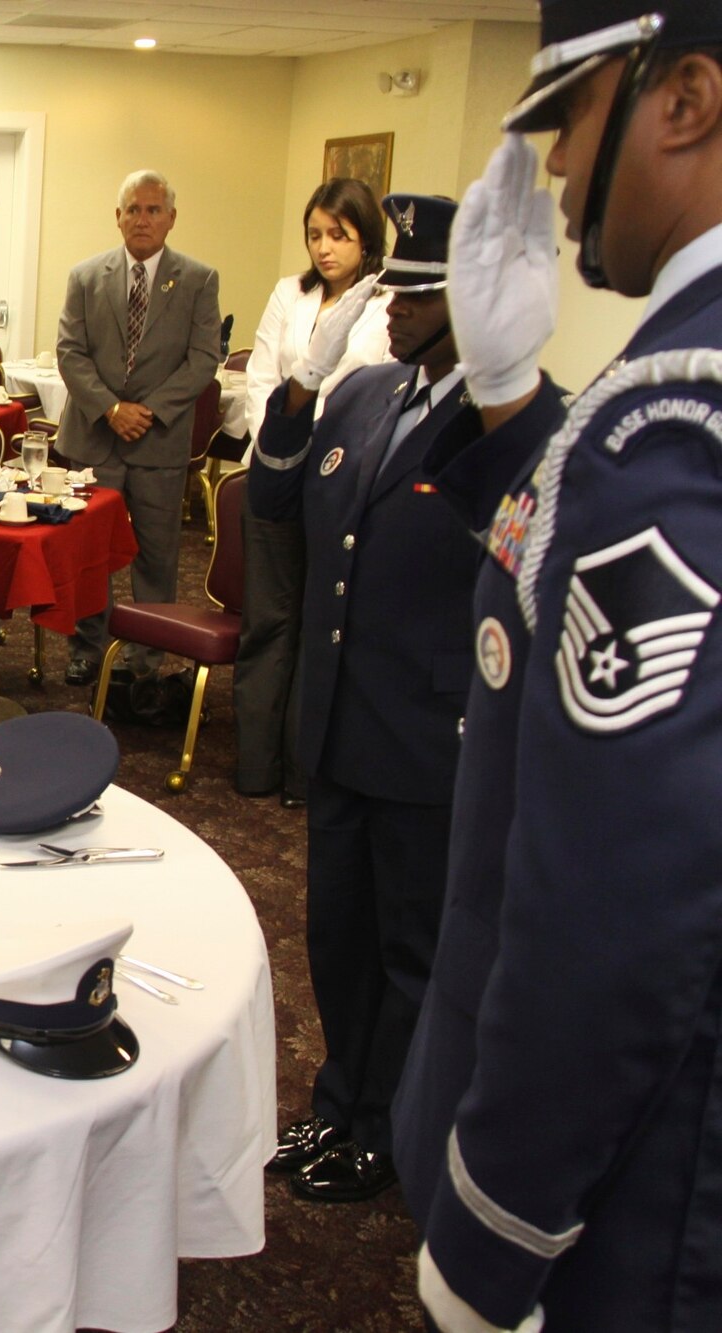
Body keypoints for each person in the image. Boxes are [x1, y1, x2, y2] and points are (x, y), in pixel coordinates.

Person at [383, 4, 722, 1329]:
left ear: (683, 101)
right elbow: (590, 584)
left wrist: (498, 1221)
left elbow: (622, 891)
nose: (562, 173)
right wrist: (514, 392)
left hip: (641, 1182)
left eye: (573, 116)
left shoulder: (675, 419)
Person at [250, 194, 568, 1207]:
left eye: (424, 299)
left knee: (412, 950)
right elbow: (269, 500)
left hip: (433, 734)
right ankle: (339, 1096)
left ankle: (391, 1126)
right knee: (334, 934)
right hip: (340, 718)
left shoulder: (521, 421)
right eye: (395, 292)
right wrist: (303, 383)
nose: (395, 313)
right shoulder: (363, 393)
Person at [235, 179, 392, 806]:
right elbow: (261, 378)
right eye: (315, 235)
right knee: (268, 620)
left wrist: (317, 437)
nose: (324, 248)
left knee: (319, 627)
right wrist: (279, 442)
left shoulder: (386, 302)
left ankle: (303, 776)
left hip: (344, 478)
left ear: (365, 240)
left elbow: (374, 388)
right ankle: (255, 766)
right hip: (276, 467)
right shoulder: (290, 293)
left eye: (339, 236)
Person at [55, 169, 222, 685]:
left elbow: (202, 360)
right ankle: (88, 647)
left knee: (156, 553)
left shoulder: (199, 279)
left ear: (171, 218)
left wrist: (145, 410)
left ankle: (146, 655)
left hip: (159, 441)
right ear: (118, 217)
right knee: (91, 554)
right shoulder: (86, 277)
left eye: (154, 210)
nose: (142, 219)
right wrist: (111, 408)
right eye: (133, 209)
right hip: (94, 439)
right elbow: (70, 352)